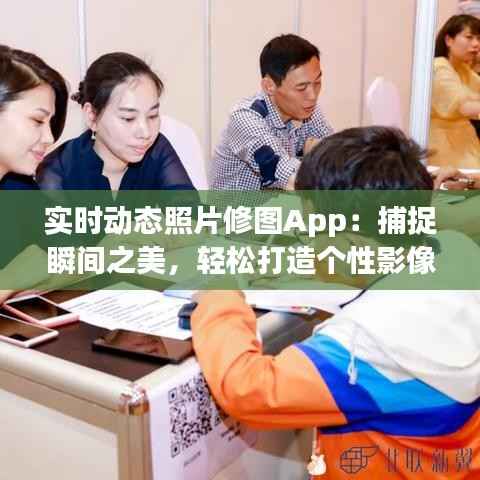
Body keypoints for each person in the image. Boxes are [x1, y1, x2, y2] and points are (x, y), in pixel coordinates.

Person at [192, 127, 480, 479]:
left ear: (355, 243)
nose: (310, 245)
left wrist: (218, 292)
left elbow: (247, 389)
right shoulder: (456, 251)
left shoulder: (364, 349)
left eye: (311, 231)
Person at [37, 52, 194, 191]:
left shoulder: (157, 149)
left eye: (152, 115)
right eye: (128, 118)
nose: (145, 133)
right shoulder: (57, 170)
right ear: (92, 116)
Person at [211, 34, 333, 190]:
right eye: (301, 87)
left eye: (317, 83)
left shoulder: (307, 109)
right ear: (269, 86)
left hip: (283, 202)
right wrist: (315, 162)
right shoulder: (245, 117)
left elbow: (336, 157)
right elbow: (285, 174)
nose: (313, 95)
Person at [0, 45, 68, 302]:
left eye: (50, 123)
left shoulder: (18, 187)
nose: (49, 137)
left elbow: (54, 260)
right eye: (37, 121)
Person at [429, 14, 480, 168]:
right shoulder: (439, 67)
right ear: (449, 40)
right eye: (469, 37)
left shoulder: (462, 68)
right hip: (443, 145)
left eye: (478, 38)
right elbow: (464, 107)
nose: (476, 44)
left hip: (464, 142)